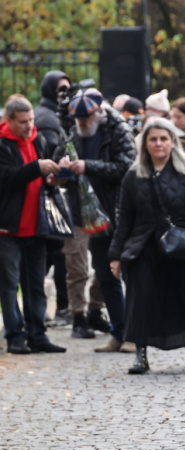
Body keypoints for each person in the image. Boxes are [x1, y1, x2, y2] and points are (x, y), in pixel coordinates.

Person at [108, 118, 185, 374]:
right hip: (144, 244)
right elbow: (124, 218)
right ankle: (141, 354)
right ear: (144, 144)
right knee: (141, 298)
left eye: (163, 138)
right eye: (153, 139)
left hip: (181, 243)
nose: (159, 143)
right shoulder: (132, 175)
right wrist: (116, 256)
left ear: (173, 142)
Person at [59, 88, 136, 353]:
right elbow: (74, 163)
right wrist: (63, 171)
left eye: (85, 119)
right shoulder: (77, 132)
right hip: (92, 215)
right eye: (77, 121)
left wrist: (88, 166)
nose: (81, 124)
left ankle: (134, 334)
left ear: (98, 112)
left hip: (118, 212)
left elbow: (127, 167)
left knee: (128, 274)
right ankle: (119, 332)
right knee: (104, 275)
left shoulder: (118, 129)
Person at [0, 95, 67, 354]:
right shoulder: (3, 144)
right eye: (23, 122)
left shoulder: (37, 139)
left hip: (36, 225)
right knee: (9, 284)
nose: (29, 126)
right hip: (8, 228)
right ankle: (15, 336)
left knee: (35, 283)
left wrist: (51, 178)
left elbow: (39, 176)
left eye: (31, 120)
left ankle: (37, 334)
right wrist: (37, 167)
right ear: (9, 120)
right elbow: (8, 178)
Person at [34, 70, 72, 326]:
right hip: (49, 193)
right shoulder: (47, 119)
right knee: (53, 254)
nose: (65, 95)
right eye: (61, 90)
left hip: (48, 193)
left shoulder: (51, 115)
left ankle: (55, 307)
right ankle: (58, 307)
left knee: (53, 254)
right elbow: (50, 155)